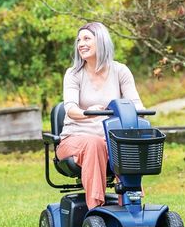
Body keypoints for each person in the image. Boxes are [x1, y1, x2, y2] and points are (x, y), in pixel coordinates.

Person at [57, 22, 143, 209]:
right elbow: (70, 108)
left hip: (108, 139)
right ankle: (95, 209)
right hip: (75, 138)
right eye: (79, 40)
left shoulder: (120, 71)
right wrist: (89, 113)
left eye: (87, 38)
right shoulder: (73, 74)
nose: (81, 43)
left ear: (101, 41)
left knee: (121, 143)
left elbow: (136, 104)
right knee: (94, 143)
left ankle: (132, 205)